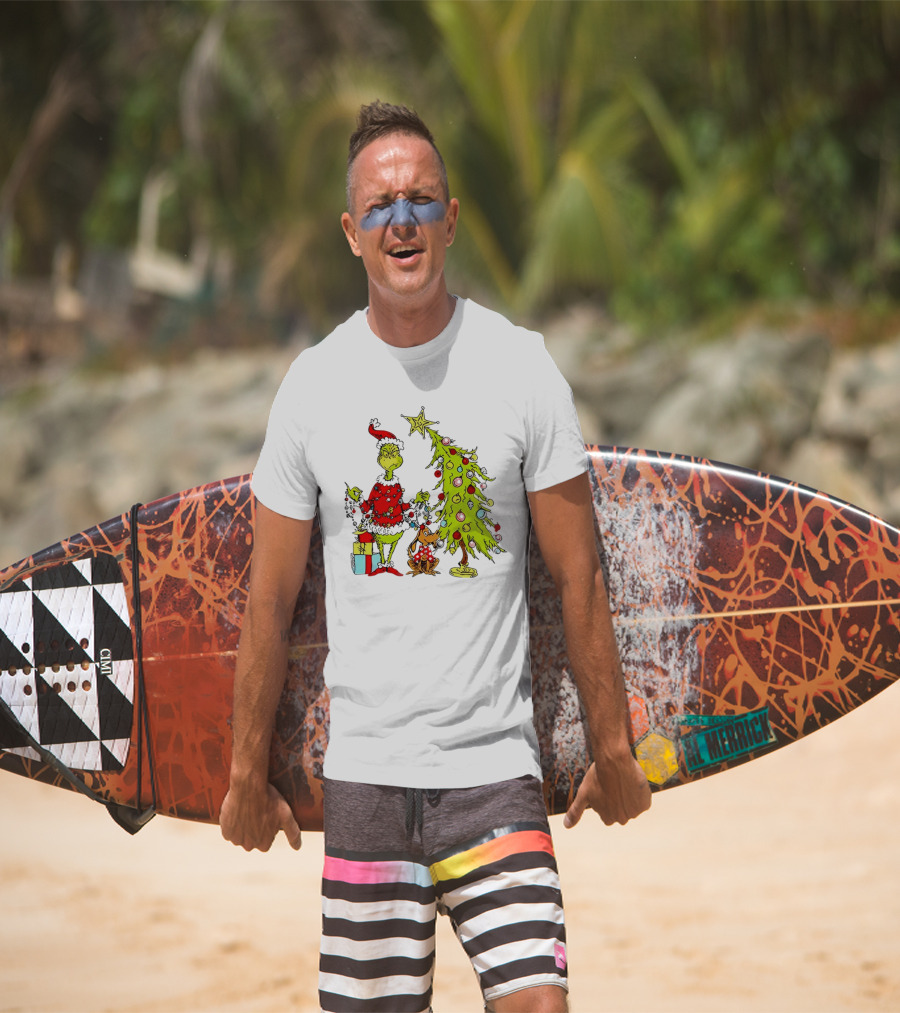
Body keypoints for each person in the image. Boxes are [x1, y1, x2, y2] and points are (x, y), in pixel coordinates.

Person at [220, 100, 651, 1013]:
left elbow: (579, 575)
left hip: (495, 773)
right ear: (351, 232)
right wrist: (242, 772)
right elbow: (269, 600)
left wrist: (612, 746)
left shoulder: (521, 368)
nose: (402, 220)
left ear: (451, 219)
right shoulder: (313, 387)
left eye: (421, 200)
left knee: (540, 1003)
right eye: (380, 206)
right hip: (368, 779)